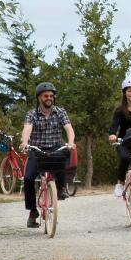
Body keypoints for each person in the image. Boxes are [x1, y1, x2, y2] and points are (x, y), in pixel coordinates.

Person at [20, 82, 76, 228]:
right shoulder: (32, 114)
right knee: (28, 178)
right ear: (39, 98)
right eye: (46, 96)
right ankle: (32, 212)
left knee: (64, 157)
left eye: (51, 96)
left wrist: (70, 141)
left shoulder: (60, 112)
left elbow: (69, 128)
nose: (49, 98)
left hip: (55, 147)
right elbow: (27, 129)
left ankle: (61, 187)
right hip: (37, 150)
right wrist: (25, 142)